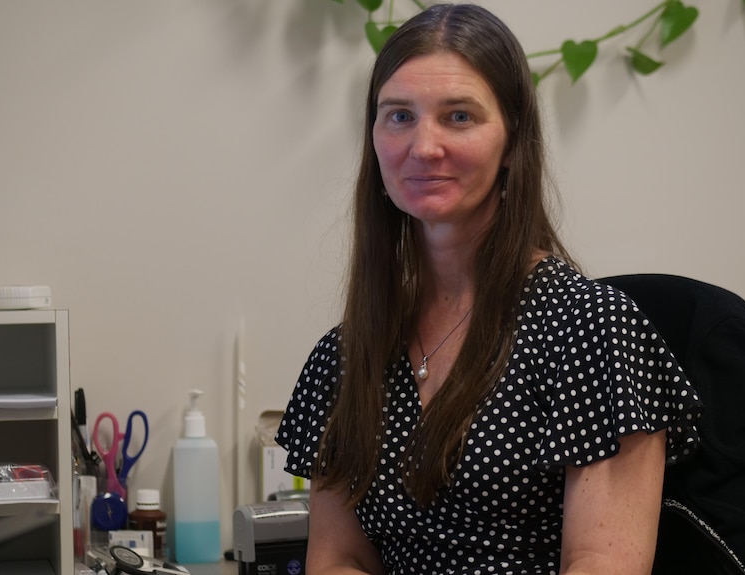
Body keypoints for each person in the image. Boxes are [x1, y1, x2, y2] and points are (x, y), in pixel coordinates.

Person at [276, 3, 702, 574]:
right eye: (398, 115)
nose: (423, 146)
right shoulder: (345, 356)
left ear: (513, 139)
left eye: (458, 117)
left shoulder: (592, 331)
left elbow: (601, 564)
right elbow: (339, 558)